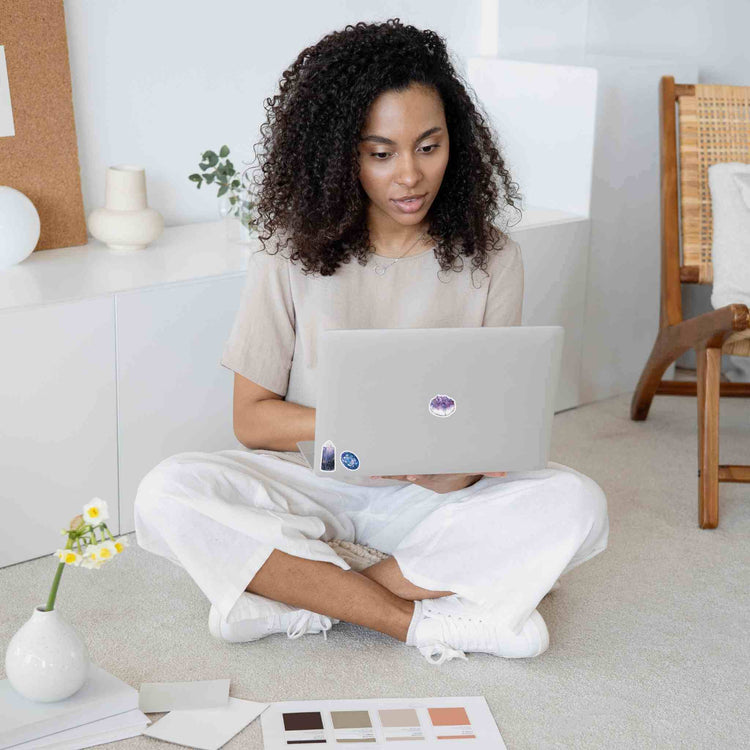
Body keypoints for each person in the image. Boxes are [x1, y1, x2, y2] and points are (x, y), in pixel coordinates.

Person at [134, 18, 609, 665]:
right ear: (340, 152)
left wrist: (455, 467)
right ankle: (420, 624)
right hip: (314, 485)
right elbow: (251, 419)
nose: (409, 176)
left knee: (576, 504)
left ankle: (300, 597)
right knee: (166, 491)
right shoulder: (288, 255)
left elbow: (496, 424)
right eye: (380, 152)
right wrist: (355, 429)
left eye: (428, 146)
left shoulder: (493, 258)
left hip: (430, 498)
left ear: (457, 145)